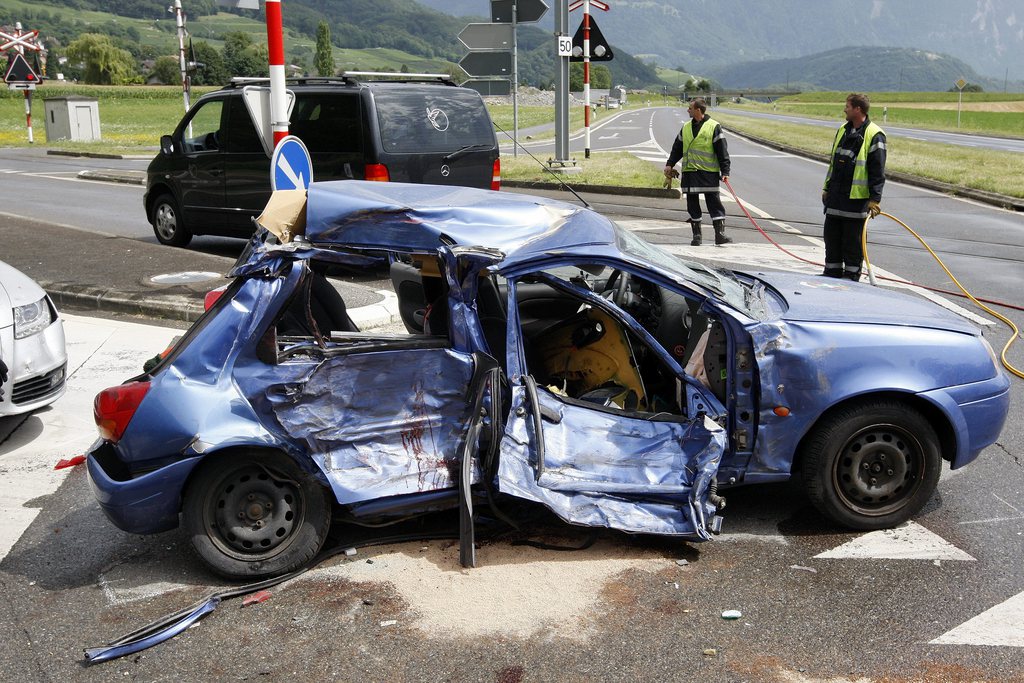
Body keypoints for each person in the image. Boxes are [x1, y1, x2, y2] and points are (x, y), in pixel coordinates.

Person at [821, 93, 886, 280]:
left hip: (856, 202)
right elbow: (833, 163)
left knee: (853, 244)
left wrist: (874, 199)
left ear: (858, 109)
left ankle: (851, 279)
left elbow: (877, 170)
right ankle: (831, 274)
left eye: (847, 106)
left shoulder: (875, 134)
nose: (844, 109)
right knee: (831, 241)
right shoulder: (842, 130)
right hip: (835, 199)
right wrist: (826, 188)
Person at [663, 98, 732, 246]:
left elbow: (722, 151)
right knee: (692, 204)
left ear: (698, 110)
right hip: (689, 174)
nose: (688, 110)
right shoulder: (686, 127)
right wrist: (670, 164)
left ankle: (720, 235)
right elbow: (677, 148)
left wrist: (725, 170)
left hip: (708, 174)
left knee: (714, 204)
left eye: (690, 108)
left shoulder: (714, 126)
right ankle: (697, 236)